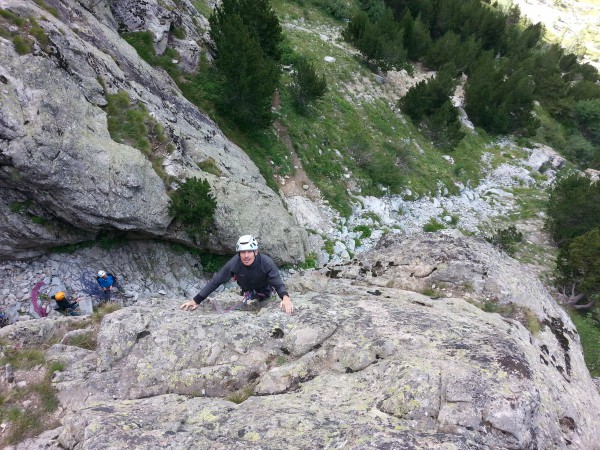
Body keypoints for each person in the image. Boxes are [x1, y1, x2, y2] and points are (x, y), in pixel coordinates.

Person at [180, 235, 294, 314]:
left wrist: (285, 298)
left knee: (264, 298)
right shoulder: (234, 263)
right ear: (239, 254)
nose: (246, 256)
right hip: (248, 291)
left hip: (265, 290)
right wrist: (196, 300)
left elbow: (278, 283)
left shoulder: (266, 262)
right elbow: (216, 281)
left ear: (256, 252)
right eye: (243, 252)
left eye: (249, 251)